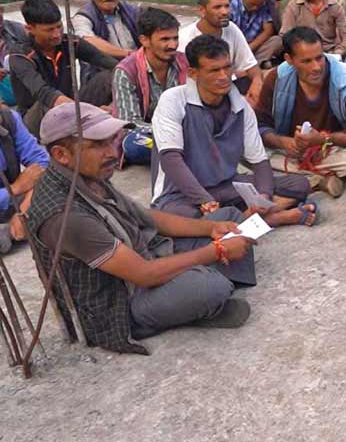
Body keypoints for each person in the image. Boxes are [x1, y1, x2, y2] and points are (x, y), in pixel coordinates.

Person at [28, 104, 257, 356]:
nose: (112, 152)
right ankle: (198, 299)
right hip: (121, 302)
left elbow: (146, 216)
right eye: (97, 145)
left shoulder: (86, 173)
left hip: (146, 255)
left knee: (230, 218)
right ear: (61, 154)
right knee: (211, 286)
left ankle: (197, 296)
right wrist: (217, 250)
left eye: (111, 141)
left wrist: (210, 227)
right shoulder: (65, 216)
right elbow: (144, 275)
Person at [149, 34, 314, 226]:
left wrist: (263, 197)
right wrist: (205, 201)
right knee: (182, 219)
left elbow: (259, 161)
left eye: (227, 68)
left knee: (300, 185)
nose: (223, 76)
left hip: (226, 186)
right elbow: (171, 161)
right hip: (180, 195)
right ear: (193, 73)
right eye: (214, 70)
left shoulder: (241, 106)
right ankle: (271, 218)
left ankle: (249, 218)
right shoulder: (173, 100)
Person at [254, 27, 346, 199]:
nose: (316, 67)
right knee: (245, 150)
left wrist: (323, 140)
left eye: (319, 58)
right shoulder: (276, 79)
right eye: (306, 61)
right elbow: (261, 125)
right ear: (289, 60)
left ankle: (303, 180)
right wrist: (284, 142)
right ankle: (318, 180)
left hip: (332, 150)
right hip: (291, 152)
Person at [0, 63, 48, 265]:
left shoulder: (8, 119)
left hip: (13, 205)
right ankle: (9, 233)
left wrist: (25, 209)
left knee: (61, 187)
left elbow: (42, 164)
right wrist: (15, 189)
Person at [10, 0, 118, 134]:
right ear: (29, 29)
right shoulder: (20, 56)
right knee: (46, 103)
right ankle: (89, 119)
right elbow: (44, 93)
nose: (56, 34)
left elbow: (106, 61)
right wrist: (92, 111)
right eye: (49, 30)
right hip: (38, 119)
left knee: (111, 75)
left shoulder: (70, 42)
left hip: (72, 106)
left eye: (59, 27)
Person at [111, 8, 188, 166]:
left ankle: (180, 155)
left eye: (175, 38)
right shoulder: (125, 71)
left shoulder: (185, 62)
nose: (172, 45)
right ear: (144, 40)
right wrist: (169, 132)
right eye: (165, 39)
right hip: (150, 133)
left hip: (184, 130)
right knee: (135, 145)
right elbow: (129, 123)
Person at [178, 0, 263, 104]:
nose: (225, 12)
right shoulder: (184, 38)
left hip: (228, 87)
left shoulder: (232, 29)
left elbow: (251, 66)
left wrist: (257, 83)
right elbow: (185, 81)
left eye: (227, 6)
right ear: (202, 10)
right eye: (217, 7)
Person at [73, 0, 140, 60]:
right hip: (101, 70)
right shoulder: (83, 17)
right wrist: (131, 54)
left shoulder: (132, 11)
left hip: (136, 65)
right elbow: (89, 41)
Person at [228, 0, 283, 66]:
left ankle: (252, 65)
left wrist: (250, 48)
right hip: (234, 47)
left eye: (259, 4)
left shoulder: (266, 3)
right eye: (252, 4)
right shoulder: (229, 5)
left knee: (277, 40)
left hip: (255, 46)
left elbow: (268, 30)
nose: (256, 8)